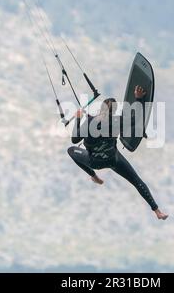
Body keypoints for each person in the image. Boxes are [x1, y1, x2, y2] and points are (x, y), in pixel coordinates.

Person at [67, 85, 168, 220]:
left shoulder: (89, 123)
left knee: (71, 150)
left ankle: (93, 176)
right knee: (136, 180)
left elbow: (74, 139)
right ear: (113, 112)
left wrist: (78, 118)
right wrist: (138, 99)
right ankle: (158, 212)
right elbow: (134, 119)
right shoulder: (116, 121)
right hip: (113, 159)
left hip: (95, 162)